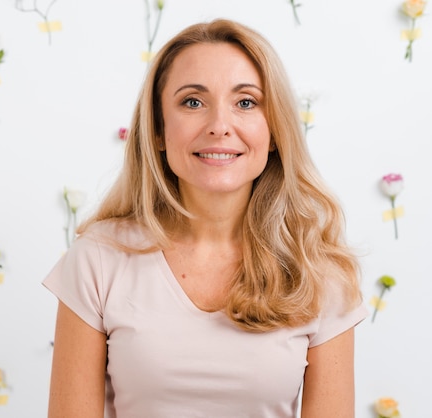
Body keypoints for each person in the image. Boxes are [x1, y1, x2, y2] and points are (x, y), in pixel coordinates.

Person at [43, 18, 367, 418]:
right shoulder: (98, 259)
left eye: (246, 102)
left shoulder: (319, 272)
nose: (219, 126)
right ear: (158, 131)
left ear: (275, 132)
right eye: (193, 102)